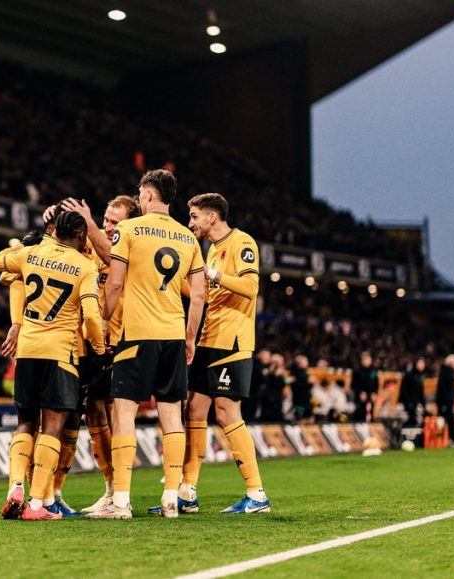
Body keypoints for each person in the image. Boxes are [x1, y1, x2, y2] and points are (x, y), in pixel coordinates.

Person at [86, 169, 206, 520]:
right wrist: (189, 337)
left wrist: (105, 319)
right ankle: (171, 497)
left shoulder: (130, 230)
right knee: (172, 416)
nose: (138, 199)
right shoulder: (188, 238)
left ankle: (120, 502)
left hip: (137, 335)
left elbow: (115, 284)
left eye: (141, 194)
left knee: (123, 412)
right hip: (172, 335)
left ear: (150, 195)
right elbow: (198, 295)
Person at [153, 192, 269, 516]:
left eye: (194, 217)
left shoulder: (242, 243)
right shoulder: (212, 250)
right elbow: (203, 290)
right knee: (194, 409)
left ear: (212, 217)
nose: (190, 223)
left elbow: (250, 287)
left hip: (231, 341)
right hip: (208, 338)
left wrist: (214, 275)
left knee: (228, 412)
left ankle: (256, 493)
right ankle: (187, 491)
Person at [0, 210, 104, 521]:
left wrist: (25, 247)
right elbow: (92, 316)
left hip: (27, 351)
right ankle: (37, 504)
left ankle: (15, 485)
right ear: (81, 237)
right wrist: (98, 344)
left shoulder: (33, 253)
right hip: (60, 354)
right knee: (52, 429)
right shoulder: (85, 266)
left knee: (25, 424)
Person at [60, 194, 142, 514]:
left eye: (114, 222)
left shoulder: (132, 246)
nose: (108, 227)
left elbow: (112, 256)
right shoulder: (90, 246)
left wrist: (92, 225)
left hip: (117, 343)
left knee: (104, 415)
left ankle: (115, 490)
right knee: (76, 416)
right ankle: (52, 491)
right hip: (82, 343)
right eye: (106, 220)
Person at [437, 354, 454, 444]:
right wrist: (446, 402)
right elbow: (444, 390)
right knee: (447, 420)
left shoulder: (446, 373)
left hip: (447, 401)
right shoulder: (446, 374)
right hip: (445, 402)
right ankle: (451, 438)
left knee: (448, 420)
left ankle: (448, 438)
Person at [350, 351, 379, 421]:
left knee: (370, 415)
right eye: (364, 359)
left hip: (371, 397)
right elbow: (354, 385)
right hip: (360, 398)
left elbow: (376, 384)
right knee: (360, 415)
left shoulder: (374, 371)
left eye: (367, 359)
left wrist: (375, 393)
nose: (365, 361)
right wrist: (360, 393)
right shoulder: (357, 371)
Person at [401, 358, 426, 427]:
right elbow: (404, 389)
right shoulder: (409, 375)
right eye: (420, 363)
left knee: (416, 421)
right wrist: (407, 402)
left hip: (416, 403)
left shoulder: (421, 376)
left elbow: (421, 391)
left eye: (423, 364)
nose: (422, 366)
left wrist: (423, 403)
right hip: (409, 403)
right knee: (410, 421)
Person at [290, 355, 312, 423]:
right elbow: (294, 384)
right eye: (305, 361)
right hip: (299, 400)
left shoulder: (305, 372)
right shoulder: (295, 373)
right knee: (299, 418)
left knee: (308, 418)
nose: (307, 363)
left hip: (306, 399)